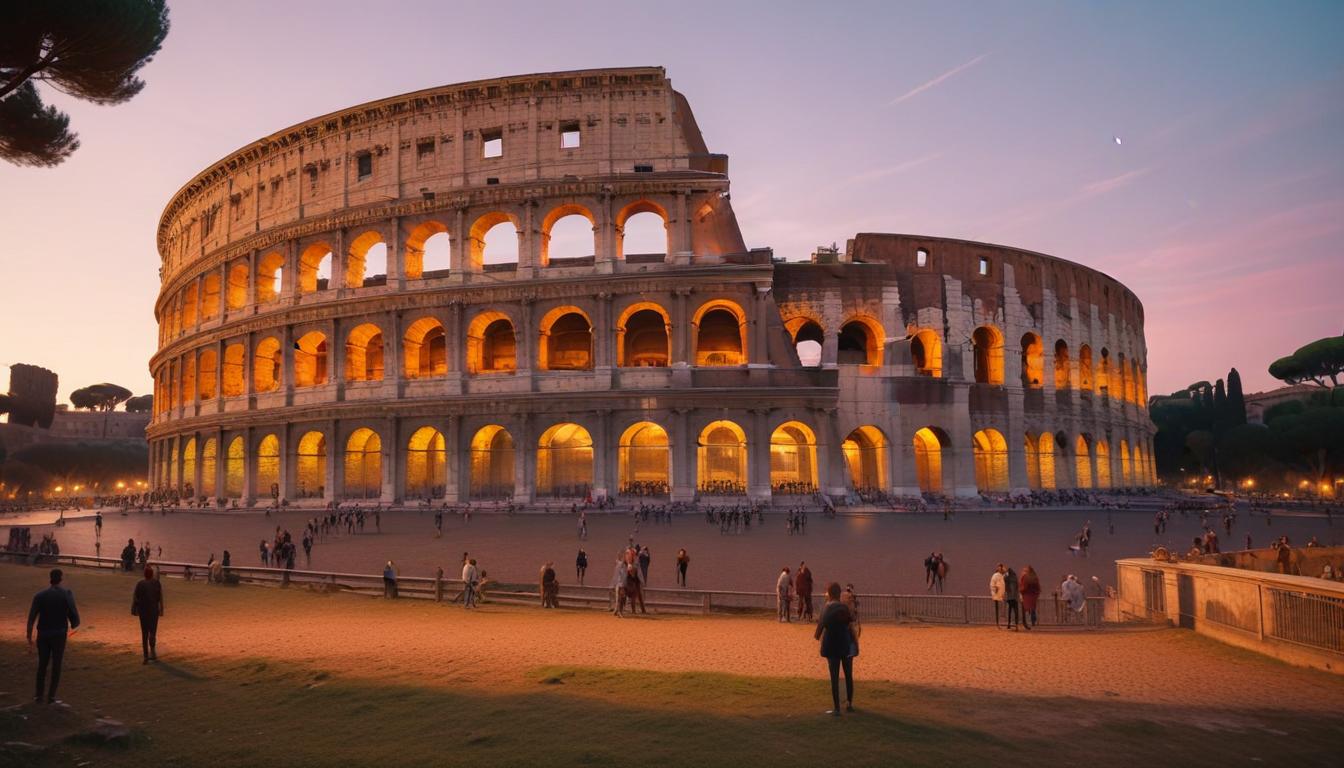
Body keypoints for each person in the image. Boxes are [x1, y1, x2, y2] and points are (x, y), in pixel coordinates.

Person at [27, 568, 80, 705]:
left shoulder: (40, 596)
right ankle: (51, 696)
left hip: (43, 634)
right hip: (59, 634)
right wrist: (74, 623)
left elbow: (32, 617)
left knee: (42, 665)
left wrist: (29, 635)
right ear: (60, 579)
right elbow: (73, 613)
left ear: (50, 578)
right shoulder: (66, 594)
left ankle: (39, 696)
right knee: (56, 665)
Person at [814, 582, 855, 716]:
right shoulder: (844, 608)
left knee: (834, 677)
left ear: (829, 593)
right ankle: (849, 703)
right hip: (845, 645)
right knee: (848, 675)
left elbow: (818, 631)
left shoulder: (826, 608)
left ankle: (837, 708)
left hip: (831, 647)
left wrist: (820, 634)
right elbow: (850, 625)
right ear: (839, 594)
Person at [132, 565, 165, 663]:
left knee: (144, 634)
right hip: (154, 611)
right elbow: (160, 597)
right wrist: (162, 609)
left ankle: (146, 656)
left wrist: (135, 609)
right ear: (152, 574)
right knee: (153, 633)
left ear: (144, 574)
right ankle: (153, 653)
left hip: (143, 611)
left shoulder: (140, 584)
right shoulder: (157, 583)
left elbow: (135, 598)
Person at [1019, 565, 1041, 630]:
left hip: (1026, 596)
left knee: (1025, 610)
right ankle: (1032, 622)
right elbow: (1038, 587)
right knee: (1032, 609)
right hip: (1033, 596)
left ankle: (1026, 624)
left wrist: (1020, 590)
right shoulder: (1035, 577)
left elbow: (1024, 587)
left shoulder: (1025, 577)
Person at [1003, 566, 1021, 630]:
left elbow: (1004, 579)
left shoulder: (1007, 578)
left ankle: (1009, 624)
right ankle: (1016, 625)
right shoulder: (1015, 578)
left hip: (1009, 597)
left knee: (1009, 611)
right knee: (1016, 611)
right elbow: (1018, 587)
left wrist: (1005, 573)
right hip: (1015, 597)